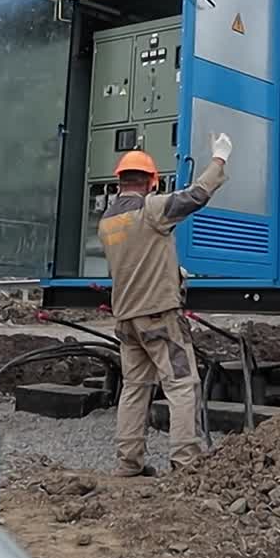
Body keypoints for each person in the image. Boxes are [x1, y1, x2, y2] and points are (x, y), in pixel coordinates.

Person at [99, 132, 232, 476]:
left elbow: (133, 261)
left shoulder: (107, 222)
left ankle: (128, 463)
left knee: (134, 387)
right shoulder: (152, 209)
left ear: (119, 182)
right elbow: (196, 195)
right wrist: (219, 158)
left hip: (126, 319)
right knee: (182, 384)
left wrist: (172, 271)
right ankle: (186, 463)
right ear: (151, 182)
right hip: (158, 315)